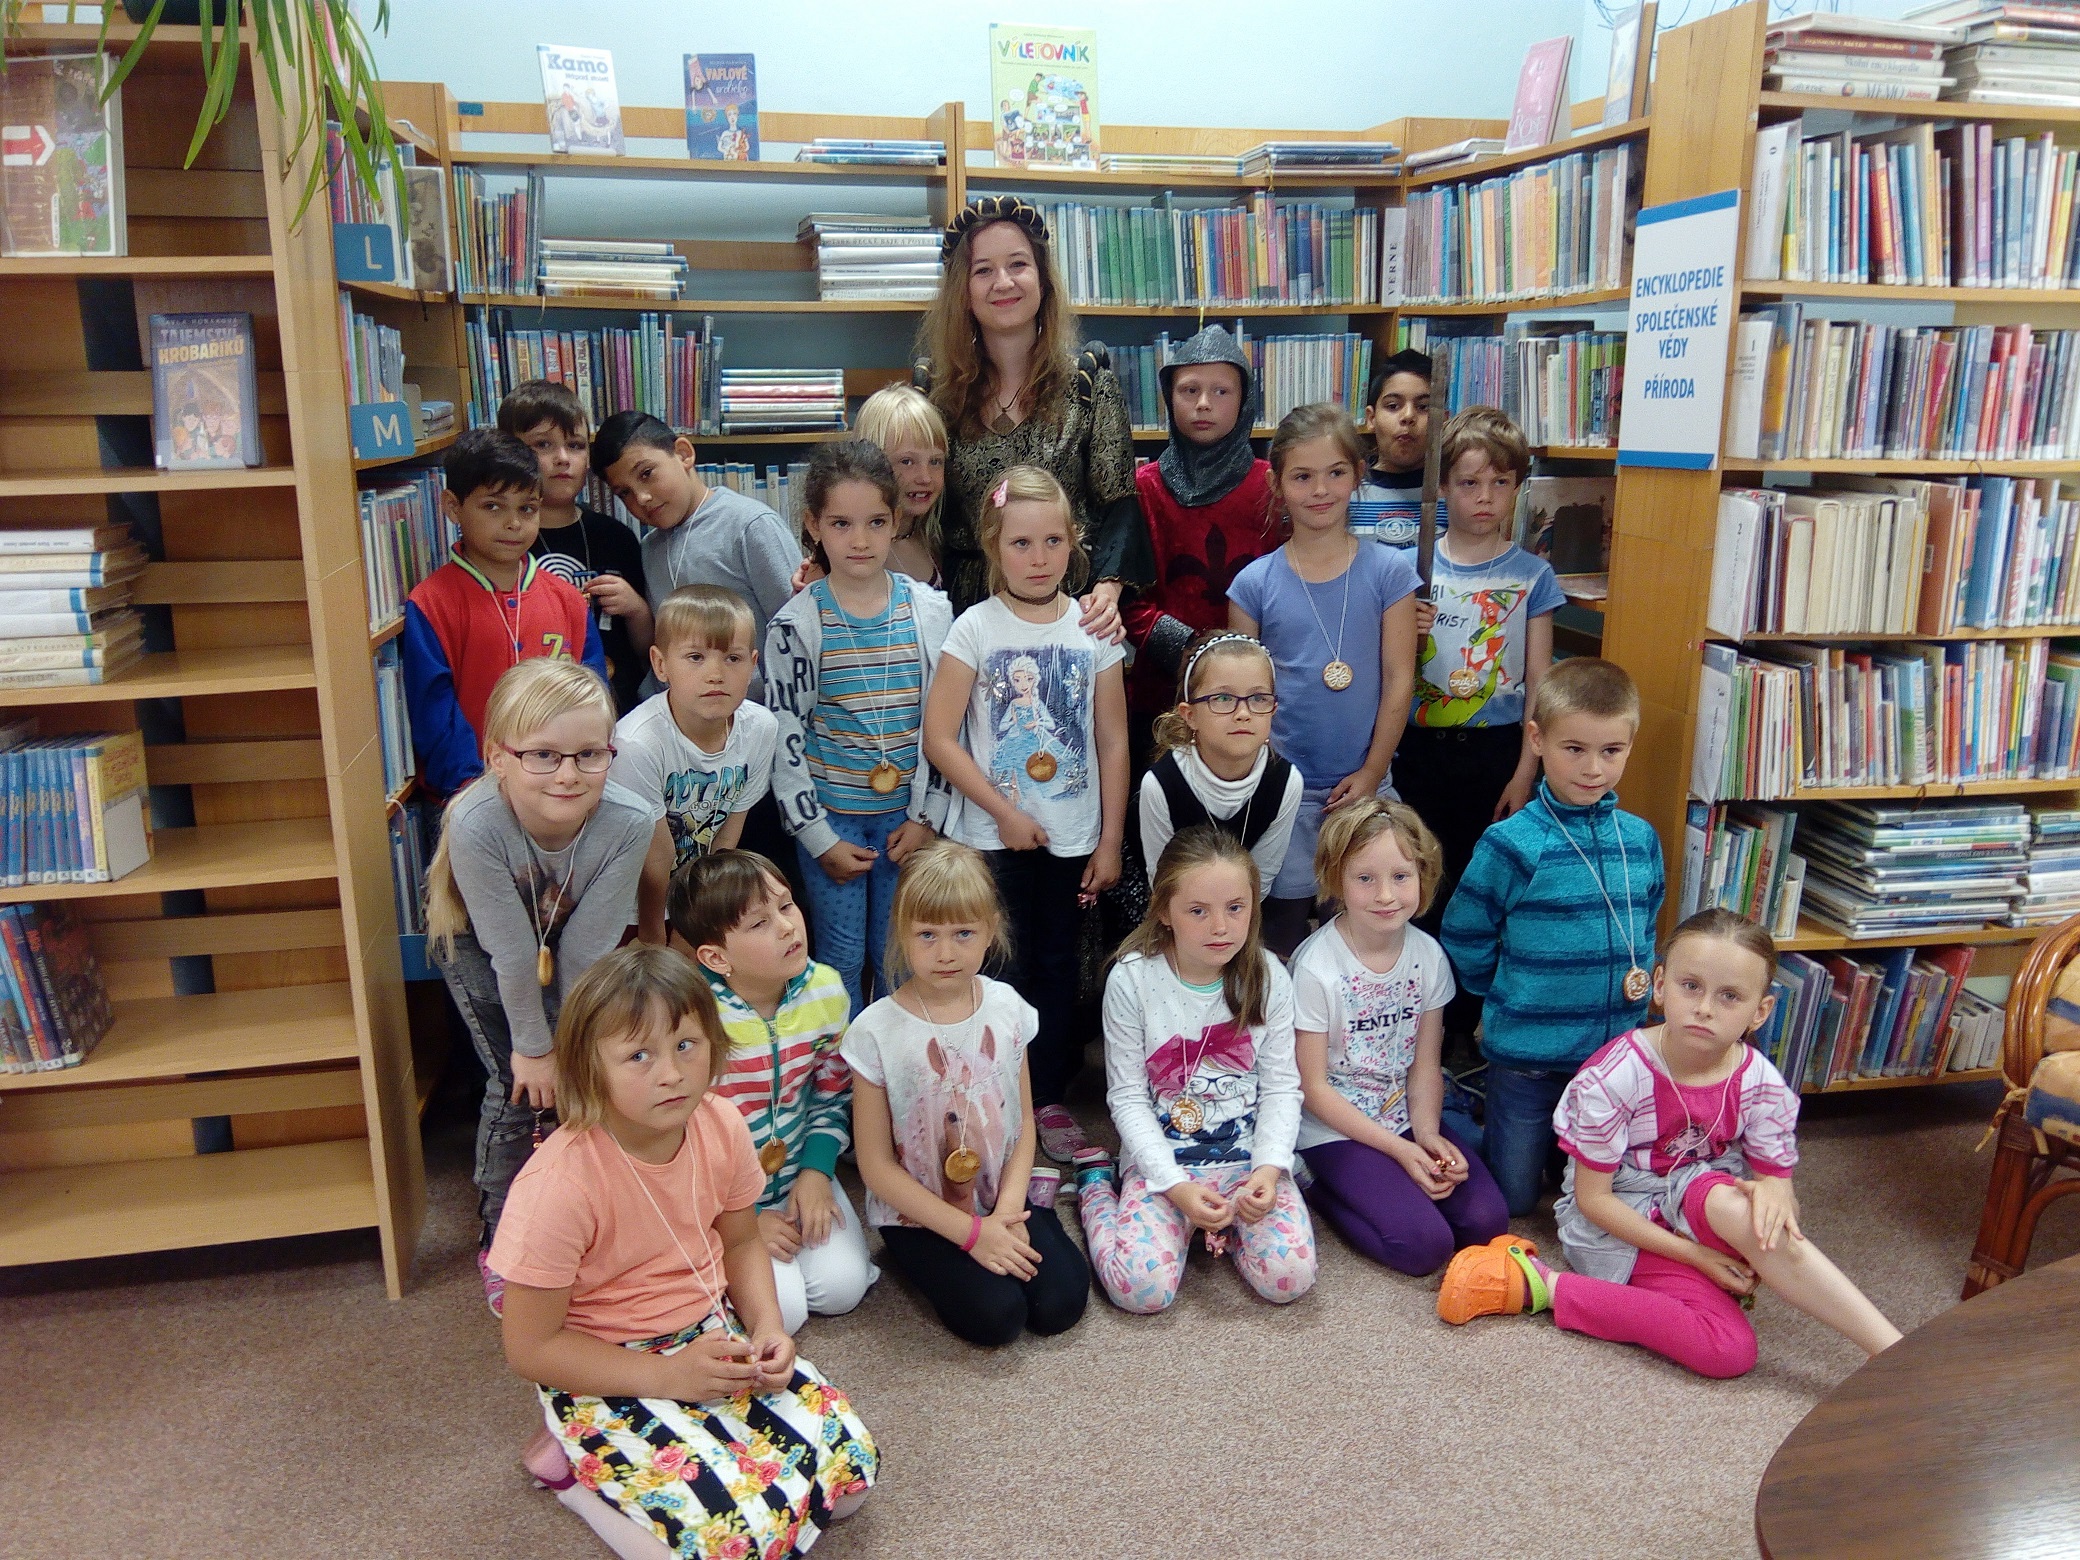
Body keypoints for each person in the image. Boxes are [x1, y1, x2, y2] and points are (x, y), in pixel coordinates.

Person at [493, 945, 877, 1560]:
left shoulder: (721, 1123)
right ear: (590, 1069)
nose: (671, 1073)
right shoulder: (557, 1187)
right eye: (638, 1055)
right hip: (605, 1365)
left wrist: (768, 1327)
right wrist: (667, 1377)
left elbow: (742, 1240)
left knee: (852, 1479)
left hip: (709, 1333)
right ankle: (572, 1481)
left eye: (686, 1045)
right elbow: (530, 1347)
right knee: (728, 1542)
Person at [1438, 910, 1904, 1378]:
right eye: (1691, 986)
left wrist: (1777, 1193)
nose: (1705, 1008)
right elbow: (1594, 1201)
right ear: (1660, 985)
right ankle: (1538, 1283)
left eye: (1729, 996)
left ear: (1760, 1011)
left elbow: (1777, 1188)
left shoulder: (1759, 1080)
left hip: (1699, 1200)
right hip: (1622, 1218)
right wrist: (1695, 1255)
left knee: (1751, 1216)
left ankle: (1893, 1350)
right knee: (1728, 1351)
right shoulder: (1613, 1077)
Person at [422, 658, 669, 1311]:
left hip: (566, 945)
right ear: (497, 758)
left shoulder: (629, 821)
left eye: (590, 754)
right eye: (543, 755)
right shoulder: (476, 821)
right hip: (481, 947)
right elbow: (507, 951)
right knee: (516, 1088)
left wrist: (572, 1049)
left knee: (580, 1082)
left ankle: (579, 1228)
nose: (568, 774)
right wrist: (535, 1049)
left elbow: (586, 950)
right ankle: (501, 1240)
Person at [922, 464, 1128, 1162]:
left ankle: (1047, 1098)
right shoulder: (974, 629)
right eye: (1020, 543)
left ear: (1074, 543)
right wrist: (1002, 812)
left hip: (1073, 838)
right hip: (992, 837)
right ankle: (994, 1094)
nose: (1038, 558)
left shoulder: (1093, 628)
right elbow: (940, 738)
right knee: (997, 967)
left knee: (1058, 966)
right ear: (993, 546)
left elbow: (1112, 737)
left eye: (1052, 542)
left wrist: (1110, 839)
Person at [842, 840, 1091, 1346]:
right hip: (919, 1215)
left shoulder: (1008, 1008)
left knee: (1059, 1304)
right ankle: (923, 1254)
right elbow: (876, 1167)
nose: (946, 953)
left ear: (991, 930)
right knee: (996, 1318)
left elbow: (1023, 1126)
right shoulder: (874, 1031)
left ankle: (1018, 1222)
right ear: (902, 933)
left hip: (1001, 1194)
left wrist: (1006, 1214)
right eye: (927, 934)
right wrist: (972, 1236)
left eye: (963, 933)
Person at [1441, 657, 1665, 1216]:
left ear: (1630, 745)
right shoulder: (1511, 843)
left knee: (1595, 1195)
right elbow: (1465, 931)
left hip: (1611, 1059)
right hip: (1527, 1056)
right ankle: (1451, 1113)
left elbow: (1646, 920)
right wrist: (1502, 992)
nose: (1593, 768)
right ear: (1538, 740)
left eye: (1611, 751)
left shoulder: (1640, 839)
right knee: (1515, 1199)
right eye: (1574, 749)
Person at [1071, 826, 1316, 1314]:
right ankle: (1096, 1188)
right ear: (1165, 910)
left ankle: (1224, 1230)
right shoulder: (1132, 979)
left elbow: (1281, 1089)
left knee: (1291, 1277)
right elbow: (1127, 1097)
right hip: (1165, 1161)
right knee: (1141, 1291)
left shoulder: (1268, 976)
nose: (1220, 927)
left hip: (1246, 1158)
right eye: (1198, 911)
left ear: (1254, 905)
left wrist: (1269, 1169)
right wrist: (1175, 1186)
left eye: (1235, 907)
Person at [1395, 407, 1564, 1056]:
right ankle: (1419, 1021)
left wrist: (1526, 771)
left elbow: (1541, 684)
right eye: (1468, 483)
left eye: (1500, 483)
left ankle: (1467, 1022)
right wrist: (1405, 627)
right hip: (1422, 752)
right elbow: (1391, 671)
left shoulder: (1532, 576)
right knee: (1423, 882)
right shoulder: (1412, 570)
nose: (1484, 497)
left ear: (1518, 487)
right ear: (1443, 487)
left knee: (1482, 886)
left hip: (1497, 754)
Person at [1228, 404, 1421, 957]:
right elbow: (1242, 696)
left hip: (1363, 786)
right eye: (1302, 476)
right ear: (1276, 484)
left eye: (1335, 473)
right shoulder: (1254, 584)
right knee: (1280, 934)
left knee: (1361, 932)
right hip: (1280, 790)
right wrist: (1266, 776)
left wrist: (1372, 772)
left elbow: (1399, 680)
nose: (1319, 490)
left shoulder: (1389, 573)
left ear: (1358, 474)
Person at [765, 440, 951, 1014]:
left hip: (905, 821)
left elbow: (946, 725)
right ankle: (841, 1068)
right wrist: (817, 836)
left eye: (875, 522)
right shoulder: (795, 626)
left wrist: (926, 817)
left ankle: (891, 1063)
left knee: (899, 956)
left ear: (896, 520)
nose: (860, 540)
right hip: (833, 821)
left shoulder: (930, 612)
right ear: (813, 525)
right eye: (841, 524)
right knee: (841, 958)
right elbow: (785, 740)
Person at [1292, 799, 1507, 1276]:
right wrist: (1400, 1151)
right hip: (1333, 1129)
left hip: (1405, 1114)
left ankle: (1401, 1166)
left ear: (1422, 877)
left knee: (1486, 1223)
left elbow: (1425, 1065)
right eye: (1365, 878)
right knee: (1424, 1247)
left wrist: (1426, 1135)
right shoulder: (1315, 968)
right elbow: (1314, 1088)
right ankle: (1313, 1184)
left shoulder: (1428, 956)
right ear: (1337, 880)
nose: (1386, 895)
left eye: (1401, 876)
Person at [669, 850, 879, 1333]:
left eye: (786, 906)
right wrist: (739, 1221)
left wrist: (816, 1172)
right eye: (760, 923)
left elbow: (832, 1095)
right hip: (721, 1199)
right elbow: (679, 1137)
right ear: (716, 957)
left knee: (842, 1290)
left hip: (798, 1173)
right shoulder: (691, 1017)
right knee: (783, 1313)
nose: (787, 927)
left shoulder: (825, 990)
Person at [922, 194, 1148, 629]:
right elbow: (907, 509)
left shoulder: (1089, 386)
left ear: (1043, 280)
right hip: (966, 612)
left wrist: (1107, 593)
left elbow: (1118, 508)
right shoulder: (936, 397)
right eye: (983, 270)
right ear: (963, 292)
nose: (1003, 282)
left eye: (1018, 264)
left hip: (1067, 605)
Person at [402, 428, 607, 798]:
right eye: (493, 506)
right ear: (453, 507)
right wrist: (474, 790)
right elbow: (435, 716)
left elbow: (593, 697)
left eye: (527, 508)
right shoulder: (431, 603)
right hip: (470, 793)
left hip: (562, 787)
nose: (514, 523)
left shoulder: (568, 600)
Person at [1121, 323, 1282, 765]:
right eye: (1189, 390)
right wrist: (1193, 650)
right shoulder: (1142, 488)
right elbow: (1127, 594)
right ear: (1169, 397)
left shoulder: (1273, 487)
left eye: (1221, 391)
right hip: (1162, 691)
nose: (1204, 403)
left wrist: (1235, 667)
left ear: (1245, 400)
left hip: (1253, 696)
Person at [591, 409, 800, 702]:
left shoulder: (750, 526)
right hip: (676, 715)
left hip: (750, 712)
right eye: (624, 493)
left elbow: (796, 631)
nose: (642, 498)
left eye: (647, 474)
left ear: (684, 454)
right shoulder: (650, 548)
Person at [609, 585, 777, 944]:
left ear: (753, 664)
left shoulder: (761, 728)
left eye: (732, 658)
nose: (715, 674)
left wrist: (700, 921)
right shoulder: (636, 743)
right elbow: (656, 858)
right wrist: (656, 939)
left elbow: (727, 834)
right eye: (696, 657)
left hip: (698, 897)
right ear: (660, 664)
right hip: (630, 905)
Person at [499, 379, 653, 714]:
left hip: (619, 709)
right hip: (534, 711)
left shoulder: (616, 538)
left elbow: (648, 651)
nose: (563, 458)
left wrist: (636, 609)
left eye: (576, 445)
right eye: (543, 445)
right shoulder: (506, 542)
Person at [1138, 631, 1301, 898]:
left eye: (1258, 698)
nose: (1243, 713)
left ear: (1273, 709)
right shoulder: (1161, 785)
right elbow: (1164, 885)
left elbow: (1261, 881)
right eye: (1223, 699)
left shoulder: (1286, 782)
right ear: (1190, 715)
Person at [853, 383, 949, 588]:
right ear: (870, 462)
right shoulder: (855, 551)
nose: (925, 478)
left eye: (935, 461)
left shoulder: (934, 538)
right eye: (907, 462)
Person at [1351, 349, 1433, 545]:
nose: (1408, 416)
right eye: (1393, 406)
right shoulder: (1347, 490)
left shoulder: (1454, 493)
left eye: (1423, 407)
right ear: (1371, 418)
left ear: (1443, 419)